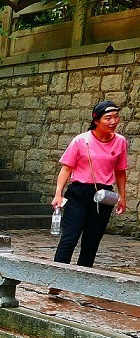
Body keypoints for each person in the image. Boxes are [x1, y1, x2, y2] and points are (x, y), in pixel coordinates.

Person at [50, 100, 129, 286]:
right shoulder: (81, 140)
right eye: (108, 118)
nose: (113, 121)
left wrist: (122, 196)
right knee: (70, 238)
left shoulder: (120, 142)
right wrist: (58, 193)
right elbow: (67, 168)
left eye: (116, 117)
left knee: (91, 242)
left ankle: (81, 283)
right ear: (96, 120)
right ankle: (56, 281)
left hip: (104, 196)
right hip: (78, 193)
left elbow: (120, 171)